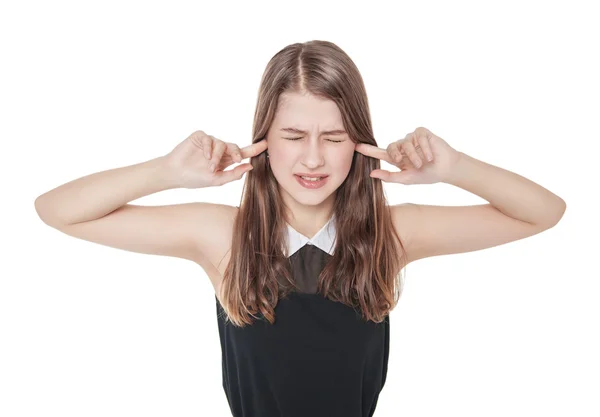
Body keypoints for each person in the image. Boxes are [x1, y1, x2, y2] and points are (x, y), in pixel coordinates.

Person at [34, 40, 566, 417]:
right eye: (293, 135)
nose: (312, 158)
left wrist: (454, 168)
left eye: (333, 137)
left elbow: (543, 212)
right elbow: (57, 210)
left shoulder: (390, 236)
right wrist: (166, 172)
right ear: (263, 138)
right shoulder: (223, 237)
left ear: (358, 141)